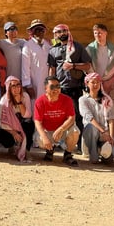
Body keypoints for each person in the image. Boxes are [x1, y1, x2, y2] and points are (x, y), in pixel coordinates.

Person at [48, 24, 92, 152]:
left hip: (74, 87)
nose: (62, 33)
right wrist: (51, 86)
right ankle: (59, 142)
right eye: (59, 32)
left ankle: (78, 144)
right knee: (59, 116)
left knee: (77, 115)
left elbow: (87, 65)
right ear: (55, 35)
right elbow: (52, 69)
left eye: (64, 31)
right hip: (59, 89)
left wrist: (73, 66)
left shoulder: (77, 47)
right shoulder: (53, 50)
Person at [33, 75, 80, 165]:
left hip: (62, 130)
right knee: (40, 139)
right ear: (46, 88)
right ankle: (49, 151)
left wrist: (61, 129)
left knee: (75, 131)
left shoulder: (67, 100)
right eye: (52, 87)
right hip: (48, 131)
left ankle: (68, 154)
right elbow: (38, 122)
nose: (56, 89)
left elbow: (72, 118)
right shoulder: (40, 101)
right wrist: (45, 137)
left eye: (58, 86)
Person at [85, 23, 114, 134]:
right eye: (95, 33)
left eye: (100, 33)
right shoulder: (89, 49)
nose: (98, 35)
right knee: (96, 111)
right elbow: (87, 67)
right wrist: (99, 83)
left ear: (106, 33)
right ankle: (99, 137)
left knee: (113, 111)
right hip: (95, 84)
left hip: (111, 84)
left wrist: (109, 82)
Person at [79, 73, 114, 164]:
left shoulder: (107, 99)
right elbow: (89, 117)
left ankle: (103, 152)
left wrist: (110, 135)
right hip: (92, 133)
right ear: (87, 83)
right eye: (93, 82)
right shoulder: (83, 100)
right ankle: (93, 155)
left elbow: (111, 118)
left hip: (105, 133)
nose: (95, 85)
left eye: (97, 82)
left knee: (110, 157)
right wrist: (102, 131)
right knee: (91, 128)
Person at [0, 76, 33, 163]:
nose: (17, 88)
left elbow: (27, 115)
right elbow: (0, 121)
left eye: (18, 85)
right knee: (6, 139)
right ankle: (12, 146)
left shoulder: (25, 96)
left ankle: (26, 150)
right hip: (9, 127)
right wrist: (13, 133)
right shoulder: (3, 102)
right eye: (13, 86)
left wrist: (19, 103)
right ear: (8, 88)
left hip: (22, 124)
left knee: (29, 124)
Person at [21, 19, 52, 99]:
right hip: (34, 82)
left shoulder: (47, 45)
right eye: (37, 30)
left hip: (47, 81)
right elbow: (25, 66)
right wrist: (28, 85)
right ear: (32, 32)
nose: (40, 32)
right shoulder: (27, 46)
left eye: (42, 30)